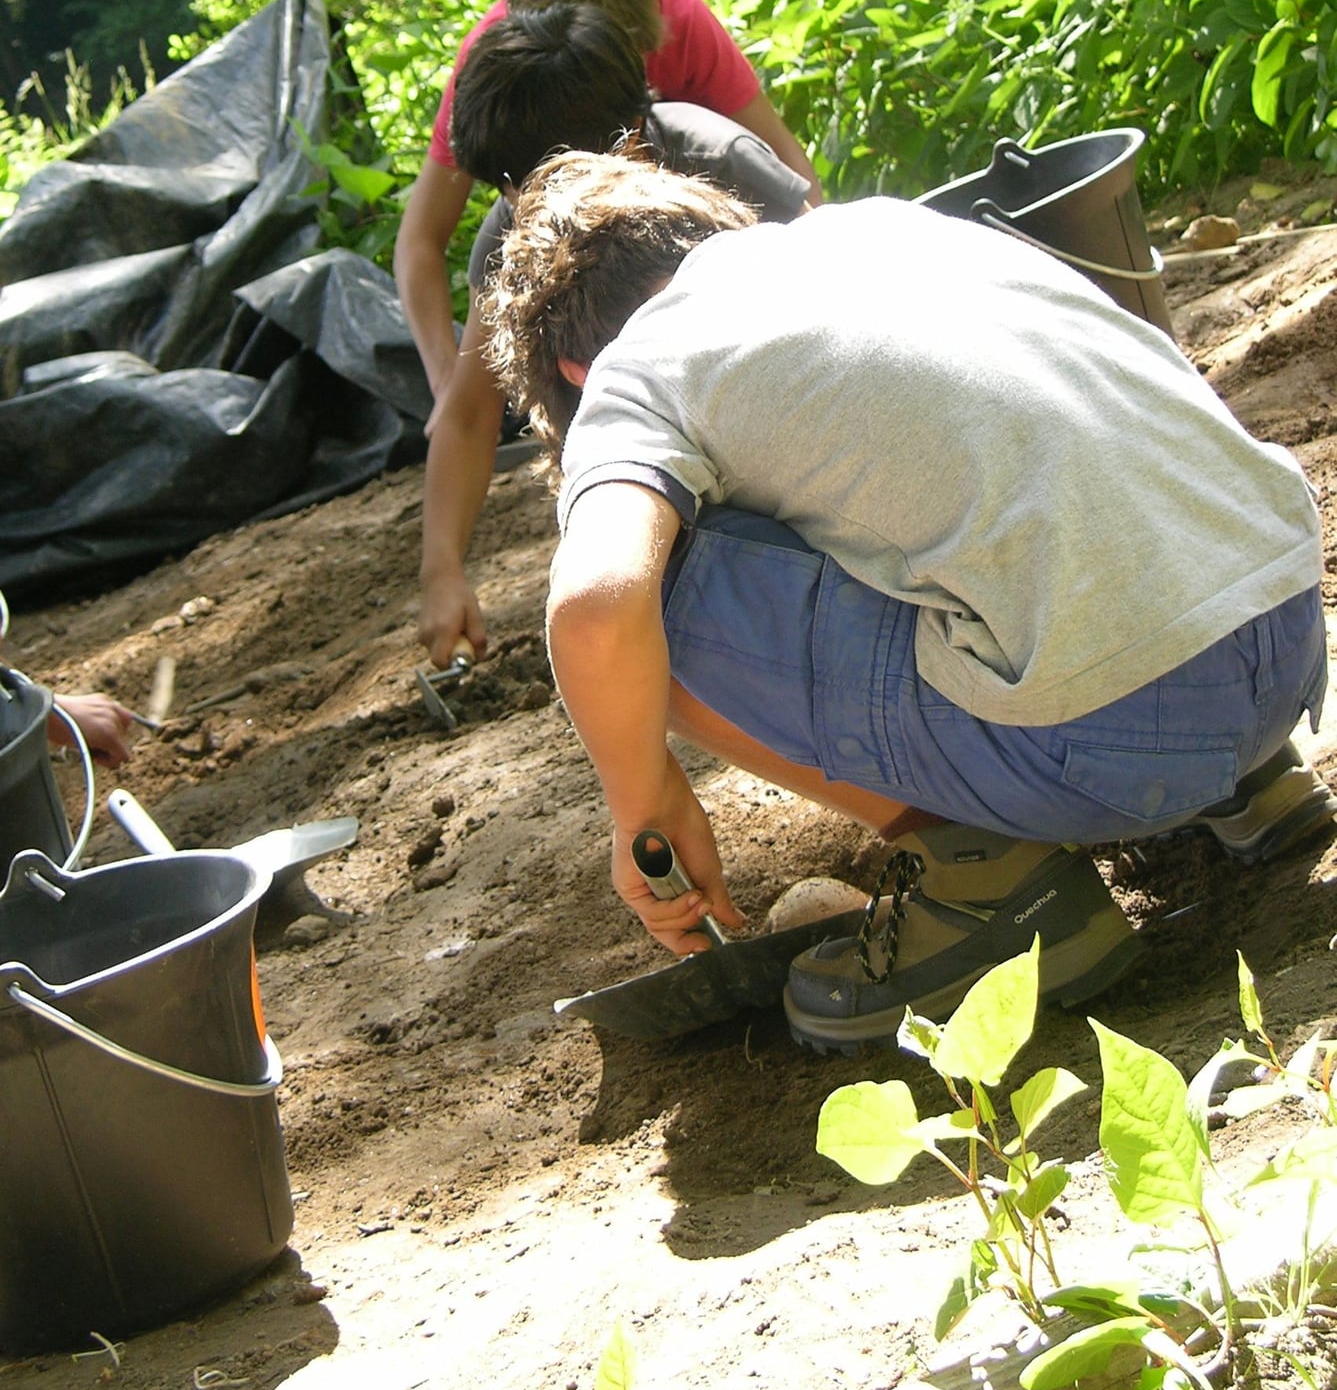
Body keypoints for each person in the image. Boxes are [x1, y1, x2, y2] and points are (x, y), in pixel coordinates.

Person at [480, 152, 1331, 1051]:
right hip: (1280, 633)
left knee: (663, 586)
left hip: (1118, 739)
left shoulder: (633, 367)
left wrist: (643, 797)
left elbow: (594, 609)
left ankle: (989, 880)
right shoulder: (878, 226)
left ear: (574, 371)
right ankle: (1249, 779)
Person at [414, 2, 813, 670]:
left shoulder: (719, 161)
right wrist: (441, 569)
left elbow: (842, 284)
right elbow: (468, 410)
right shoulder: (521, 228)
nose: (518, 204)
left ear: (630, 139)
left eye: (530, 184)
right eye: (506, 190)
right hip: (660, 483)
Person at [393, 0, 817, 434]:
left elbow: (789, 173)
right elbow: (421, 239)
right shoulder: (496, 68)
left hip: (688, 217)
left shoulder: (676, 19)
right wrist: (447, 383)